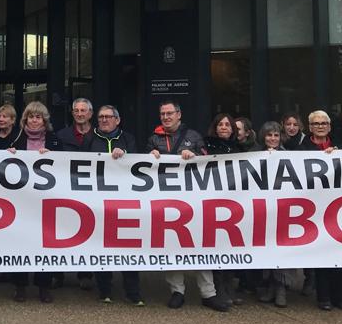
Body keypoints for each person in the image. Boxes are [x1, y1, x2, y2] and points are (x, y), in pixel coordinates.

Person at [146, 101, 228, 311]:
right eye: (162, 113)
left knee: (199, 243)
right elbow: (143, 168)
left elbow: (207, 162)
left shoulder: (193, 136)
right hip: (165, 199)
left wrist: (195, 157)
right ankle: (177, 291)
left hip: (193, 201)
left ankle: (208, 293)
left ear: (179, 115)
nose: (166, 117)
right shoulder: (154, 139)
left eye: (169, 113)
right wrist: (150, 156)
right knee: (171, 244)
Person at [84, 105, 142, 306]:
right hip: (98, 201)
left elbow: (137, 161)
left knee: (127, 244)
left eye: (108, 116)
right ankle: (104, 290)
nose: (104, 120)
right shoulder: (90, 138)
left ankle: (133, 292)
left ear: (118, 120)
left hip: (124, 200)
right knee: (101, 243)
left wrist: (125, 153)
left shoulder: (128, 139)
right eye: (100, 117)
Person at [4, 102, 61, 303]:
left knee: (44, 243)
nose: (34, 120)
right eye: (31, 117)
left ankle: (43, 286)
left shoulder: (54, 141)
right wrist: (7, 154)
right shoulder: (16, 138)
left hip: (46, 201)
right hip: (21, 201)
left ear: (44, 120)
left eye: (38, 117)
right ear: (25, 119)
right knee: (21, 242)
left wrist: (54, 156)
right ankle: (20, 286)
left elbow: (65, 166)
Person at [300, 109, 342, 311]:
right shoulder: (300, 150)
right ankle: (324, 297)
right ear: (310, 127)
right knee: (322, 254)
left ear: (329, 126)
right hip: (314, 209)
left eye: (324, 123)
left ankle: (341, 298)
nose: (320, 126)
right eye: (316, 124)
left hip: (340, 208)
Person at [254, 121, 300, 307]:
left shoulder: (290, 156)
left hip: (284, 209)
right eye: (269, 135)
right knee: (266, 248)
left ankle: (282, 288)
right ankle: (270, 286)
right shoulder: (254, 155)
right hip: (263, 210)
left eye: (276, 135)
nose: (272, 139)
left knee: (283, 248)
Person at [55, 97, 95, 290]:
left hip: (91, 191)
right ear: (72, 114)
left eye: (84, 110)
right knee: (59, 231)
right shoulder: (61, 135)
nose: (80, 114)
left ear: (90, 114)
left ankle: (85, 273)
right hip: (65, 189)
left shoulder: (99, 135)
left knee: (87, 231)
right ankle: (57, 274)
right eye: (76, 111)